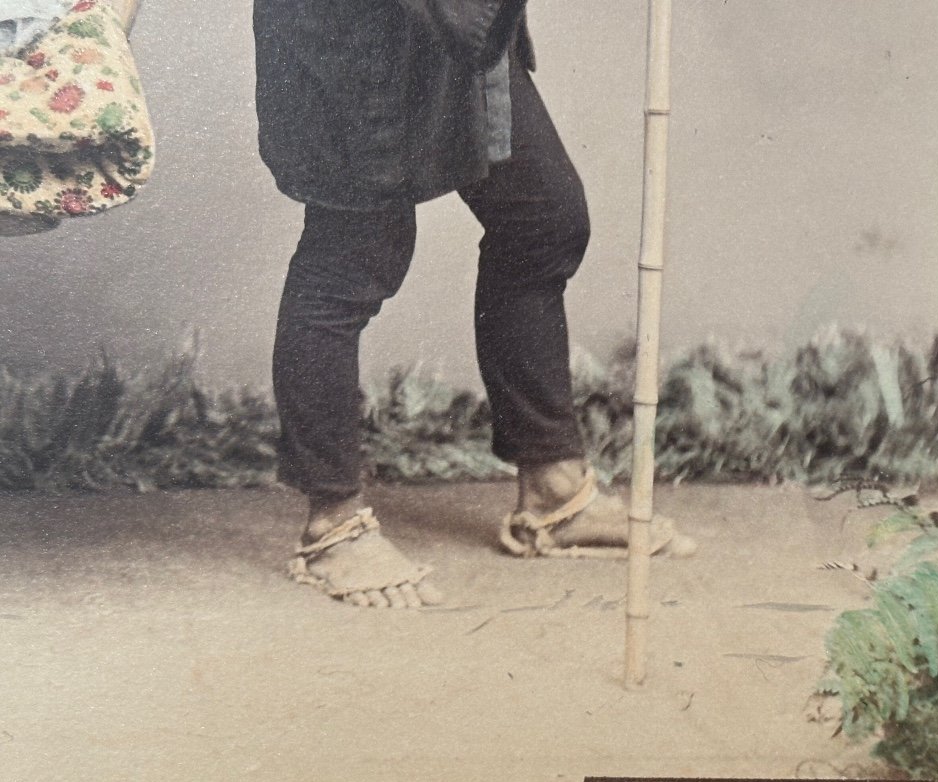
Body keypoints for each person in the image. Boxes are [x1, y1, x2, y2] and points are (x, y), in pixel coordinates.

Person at [253, 0, 693, 608]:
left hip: (449, 24)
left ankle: (552, 485)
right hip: (352, 33)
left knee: (542, 219)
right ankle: (333, 523)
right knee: (353, 256)